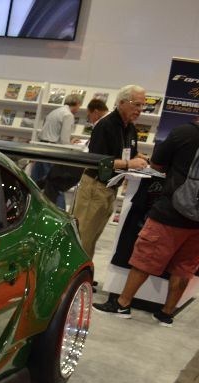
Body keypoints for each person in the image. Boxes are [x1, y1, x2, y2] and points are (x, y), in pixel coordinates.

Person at [94, 120, 199, 327]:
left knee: (146, 257)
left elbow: (157, 163)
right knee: (184, 267)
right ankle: (166, 314)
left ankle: (122, 304)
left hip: (171, 212)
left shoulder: (184, 133)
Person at [72, 85, 149, 259]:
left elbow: (127, 152)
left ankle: (84, 272)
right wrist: (129, 163)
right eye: (136, 104)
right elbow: (98, 161)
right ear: (121, 102)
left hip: (110, 189)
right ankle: (73, 274)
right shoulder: (105, 125)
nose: (140, 109)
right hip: (94, 188)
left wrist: (141, 158)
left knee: (92, 238)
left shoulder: (130, 128)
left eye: (142, 105)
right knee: (82, 238)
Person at [31, 93, 82, 209]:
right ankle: (59, 212)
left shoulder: (54, 112)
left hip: (42, 148)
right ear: (77, 104)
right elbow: (64, 140)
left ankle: (31, 206)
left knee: (35, 182)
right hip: (53, 151)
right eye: (79, 106)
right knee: (55, 184)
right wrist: (71, 144)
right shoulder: (68, 115)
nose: (79, 109)